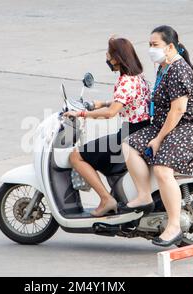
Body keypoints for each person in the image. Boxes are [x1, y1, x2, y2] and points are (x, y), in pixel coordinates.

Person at [121, 25, 193, 246]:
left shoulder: (179, 70)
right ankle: (144, 195)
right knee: (129, 146)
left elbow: (178, 110)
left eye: (155, 45)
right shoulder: (164, 67)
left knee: (162, 169)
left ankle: (173, 225)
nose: (151, 49)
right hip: (167, 124)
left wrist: (159, 139)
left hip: (188, 126)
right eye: (150, 45)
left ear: (170, 47)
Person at [64, 37, 151, 217]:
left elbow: (111, 113)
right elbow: (128, 101)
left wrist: (81, 114)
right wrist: (100, 103)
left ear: (117, 58)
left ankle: (106, 199)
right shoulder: (138, 77)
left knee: (76, 156)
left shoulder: (126, 81)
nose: (106, 57)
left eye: (109, 54)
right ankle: (115, 193)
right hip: (141, 130)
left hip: (128, 135)